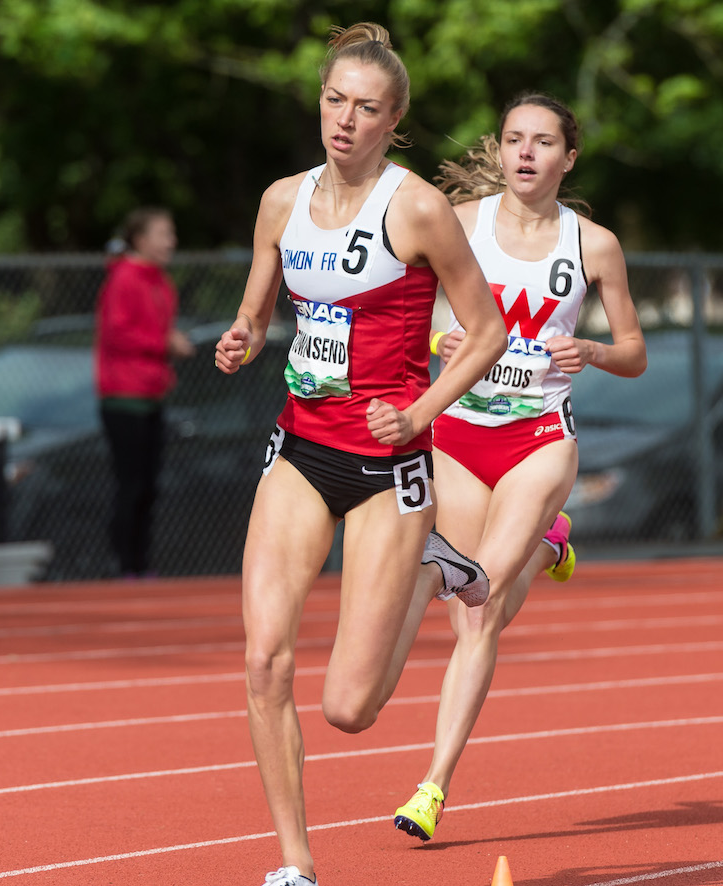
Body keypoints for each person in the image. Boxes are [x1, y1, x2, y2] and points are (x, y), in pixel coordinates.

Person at [212, 23, 506, 886]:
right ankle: (296, 867)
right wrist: (241, 337)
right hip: (302, 450)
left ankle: (432, 565)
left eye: (366, 108)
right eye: (335, 101)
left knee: (350, 708)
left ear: (395, 118)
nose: (345, 120)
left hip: (389, 470)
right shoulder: (280, 200)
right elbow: (258, 313)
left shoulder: (415, 208)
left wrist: (418, 414)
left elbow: (485, 332)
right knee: (264, 659)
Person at [388, 92, 647, 842]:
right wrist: (439, 341)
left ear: (568, 158)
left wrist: (592, 351)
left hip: (540, 437)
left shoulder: (593, 245)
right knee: (474, 611)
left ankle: (432, 786)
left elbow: (633, 352)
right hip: (460, 432)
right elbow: (416, 308)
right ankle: (548, 545)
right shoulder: (458, 225)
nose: (526, 152)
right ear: (498, 151)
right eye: (513, 139)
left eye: (542, 142)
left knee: (481, 589)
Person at [94, 206, 194, 577]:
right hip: (124, 396)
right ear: (141, 239)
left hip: (151, 395)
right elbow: (118, 333)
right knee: (131, 484)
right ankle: (125, 566)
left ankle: (140, 565)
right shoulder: (125, 279)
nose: (171, 241)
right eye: (163, 234)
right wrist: (165, 343)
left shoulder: (159, 281)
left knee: (149, 485)